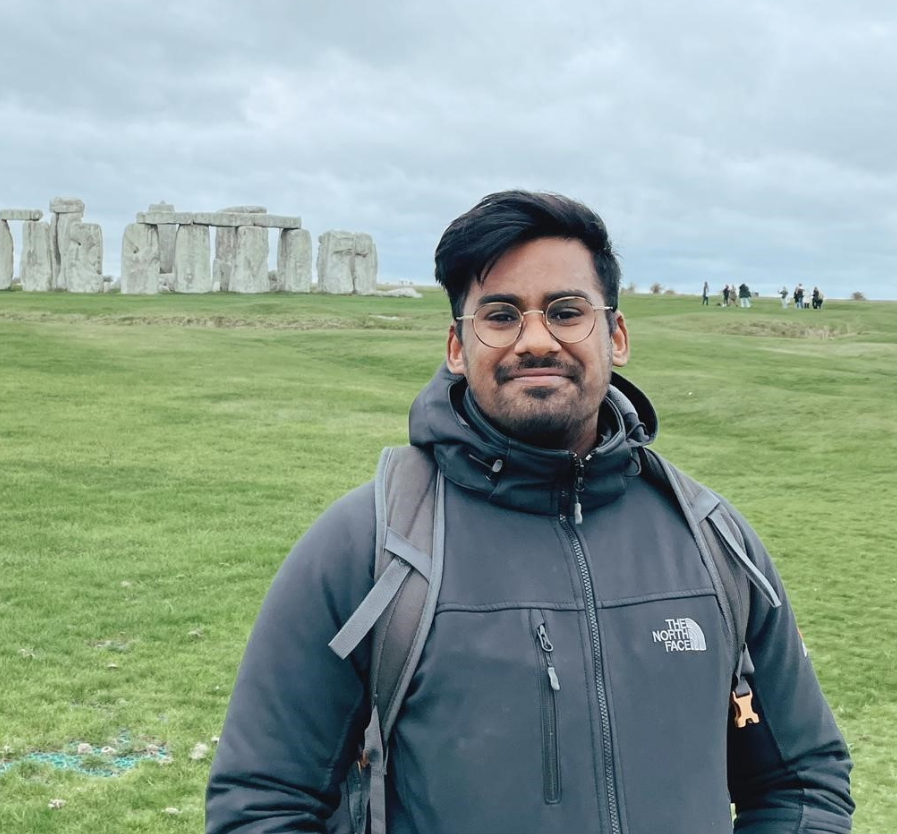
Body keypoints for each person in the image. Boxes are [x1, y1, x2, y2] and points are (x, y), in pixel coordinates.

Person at [206, 191, 853, 833]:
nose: (536, 340)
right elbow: (262, 805)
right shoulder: (368, 547)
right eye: (501, 315)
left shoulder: (713, 540)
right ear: (458, 347)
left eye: (567, 312)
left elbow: (801, 785)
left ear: (617, 334)